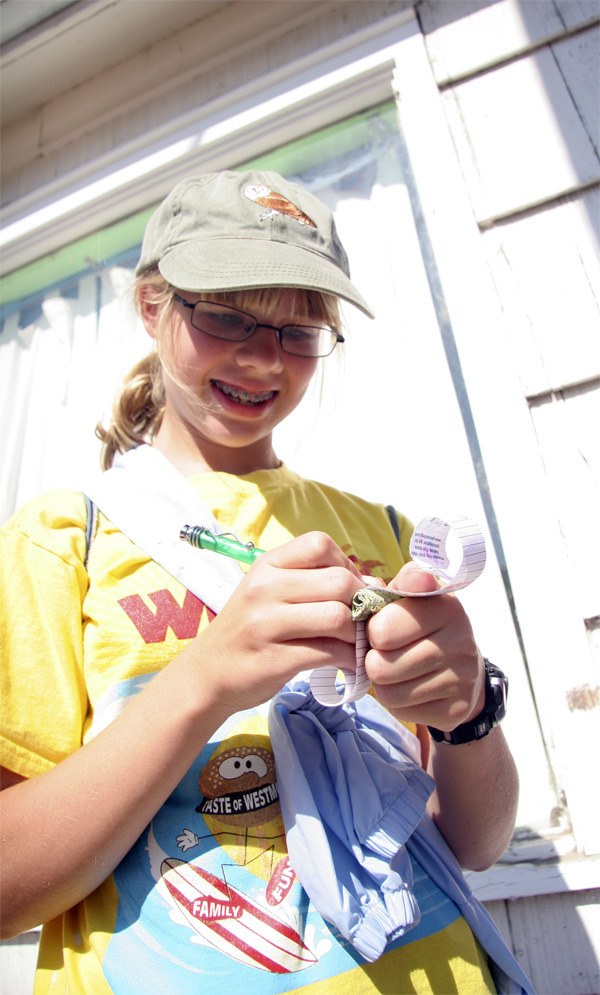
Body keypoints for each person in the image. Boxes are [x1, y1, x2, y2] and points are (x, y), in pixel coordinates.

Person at [0, 171, 533, 994]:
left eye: (298, 331)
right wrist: (206, 677)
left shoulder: (384, 533)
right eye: (223, 316)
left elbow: (470, 840)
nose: (259, 358)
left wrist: (470, 713)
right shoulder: (66, 536)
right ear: (151, 306)